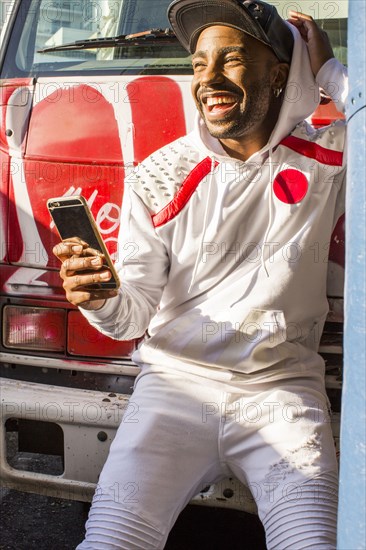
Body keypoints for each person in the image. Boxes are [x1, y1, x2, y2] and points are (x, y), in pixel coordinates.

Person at [54, 1, 348, 548]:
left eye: (231, 60)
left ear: (280, 75)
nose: (208, 79)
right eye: (198, 63)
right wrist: (100, 298)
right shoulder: (160, 173)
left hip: (281, 394)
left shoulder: (325, 154)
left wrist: (329, 71)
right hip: (172, 392)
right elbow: (131, 318)